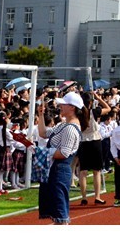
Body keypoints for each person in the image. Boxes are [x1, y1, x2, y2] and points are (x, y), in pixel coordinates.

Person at [37, 91, 87, 225]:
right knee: (56, 208)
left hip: (60, 169)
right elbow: (43, 133)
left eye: (63, 104)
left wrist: (40, 151)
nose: (60, 106)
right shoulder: (64, 125)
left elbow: (64, 153)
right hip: (55, 168)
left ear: (72, 107)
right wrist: (41, 115)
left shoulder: (70, 128)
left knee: (60, 210)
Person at [78, 91, 110, 206]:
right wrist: (99, 98)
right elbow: (108, 108)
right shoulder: (94, 111)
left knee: (83, 171)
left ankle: (84, 197)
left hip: (83, 142)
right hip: (95, 141)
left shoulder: (79, 113)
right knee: (97, 171)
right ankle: (97, 196)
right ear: (91, 102)